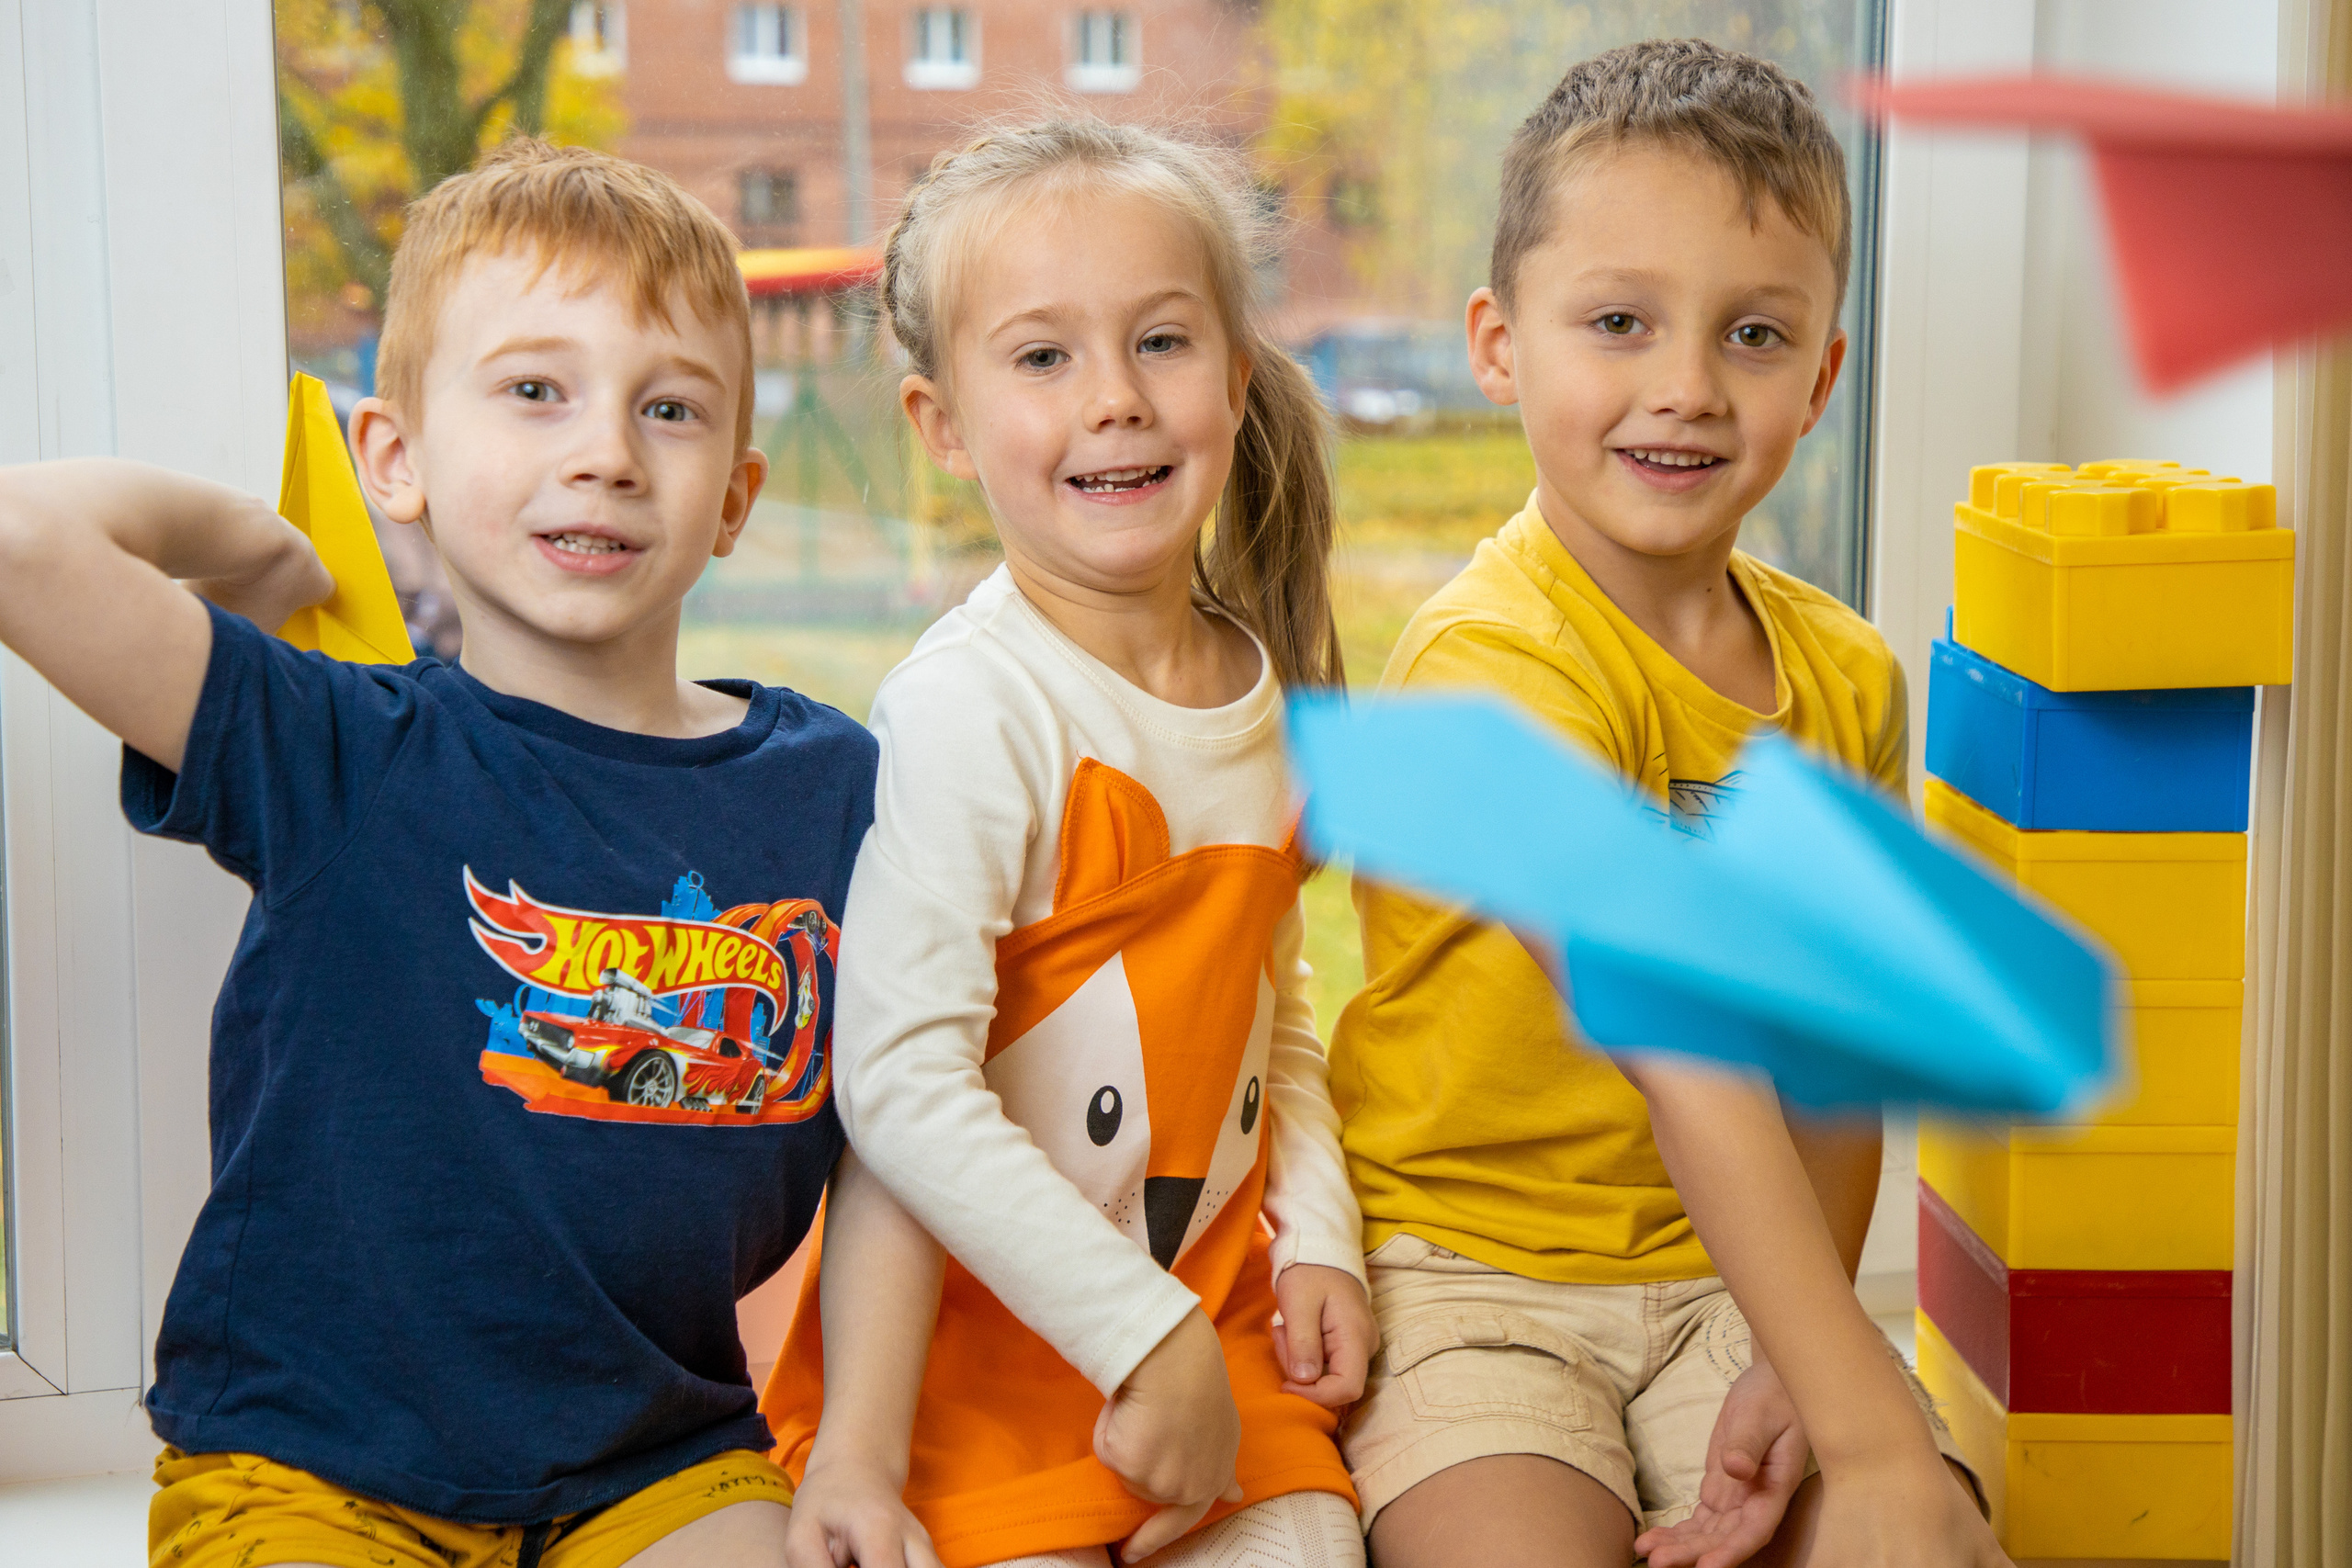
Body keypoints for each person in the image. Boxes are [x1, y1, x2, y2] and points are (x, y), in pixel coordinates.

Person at [0, 140, 877, 1568]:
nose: (603, 450)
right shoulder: (339, 746)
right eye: (536, 391)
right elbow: (21, 536)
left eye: (668, 408)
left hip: (660, 1462)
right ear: (394, 459)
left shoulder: (835, 785)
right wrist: (249, 551)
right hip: (312, 1470)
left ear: (734, 492)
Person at [1327, 40, 2007, 1568]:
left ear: (1825, 373)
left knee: (1924, 1543)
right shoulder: (1486, 668)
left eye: (1755, 335)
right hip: (1471, 1283)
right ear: (1501, 346)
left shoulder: (1846, 680)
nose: (1686, 388)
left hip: (1731, 1284)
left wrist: (1805, 1347)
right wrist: (1869, 1427)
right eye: (1620, 323)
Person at [761, 120, 1374, 1568]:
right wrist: (1134, 1333)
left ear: (1234, 372)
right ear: (943, 425)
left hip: (1208, 1330)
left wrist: (1324, 1237)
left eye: (1161, 342)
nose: (1115, 401)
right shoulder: (976, 706)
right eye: (1043, 359)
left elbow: (1268, 1022)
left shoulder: (1266, 693)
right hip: (980, 1367)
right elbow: (900, 1079)